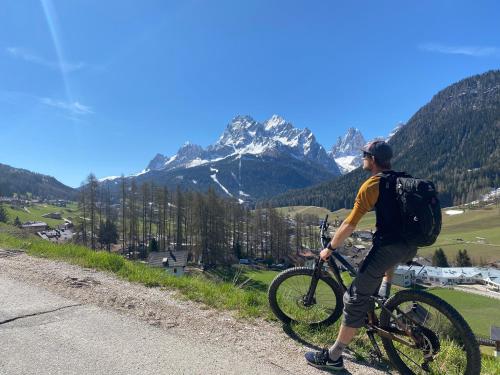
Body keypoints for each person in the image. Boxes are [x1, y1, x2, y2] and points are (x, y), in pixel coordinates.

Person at [305, 140, 418, 371]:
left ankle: (334, 357)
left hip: (390, 247)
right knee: (377, 265)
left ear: (373, 160)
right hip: (410, 245)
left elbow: (349, 224)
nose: (362, 159)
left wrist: (330, 249)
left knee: (354, 298)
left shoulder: (372, 185)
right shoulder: (400, 179)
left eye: (364, 155)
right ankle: (384, 296)